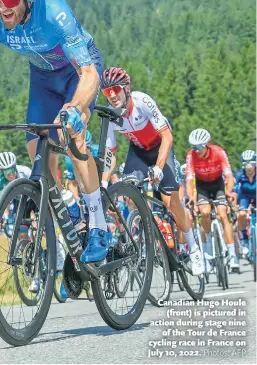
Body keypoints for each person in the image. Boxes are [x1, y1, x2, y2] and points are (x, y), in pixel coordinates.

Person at [0, 0, 109, 264]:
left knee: (73, 136)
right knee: (38, 155)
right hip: (43, 77)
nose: (1, 7)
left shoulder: (54, 11)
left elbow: (89, 73)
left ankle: (98, 224)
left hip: (78, 72)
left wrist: (73, 107)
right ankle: (69, 211)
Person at [100, 67, 204, 276]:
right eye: (107, 92)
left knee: (170, 203)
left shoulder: (142, 102)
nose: (112, 96)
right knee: (130, 194)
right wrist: (103, 182)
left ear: (126, 88)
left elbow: (167, 137)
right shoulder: (112, 116)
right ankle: (145, 240)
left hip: (160, 149)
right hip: (138, 152)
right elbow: (110, 152)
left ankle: (193, 249)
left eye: (116, 89)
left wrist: (158, 167)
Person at [185, 128, 239, 270]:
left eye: (198, 147)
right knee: (205, 213)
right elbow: (189, 180)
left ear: (206, 145)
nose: (195, 150)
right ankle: (208, 247)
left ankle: (232, 255)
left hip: (218, 185)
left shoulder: (218, 152)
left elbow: (229, 176)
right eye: (193, 147)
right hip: (202, 186)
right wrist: (191, 196)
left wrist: (229, 191)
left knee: (222, 214)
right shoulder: (191, 156)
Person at [233, 149, 256, 256]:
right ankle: (244, 240)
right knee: (241, 214)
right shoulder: (240, 175)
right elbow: (234, 190)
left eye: (251, 163)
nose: (249, 167)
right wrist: (234, 204)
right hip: (244, 197)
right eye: (246, 164)